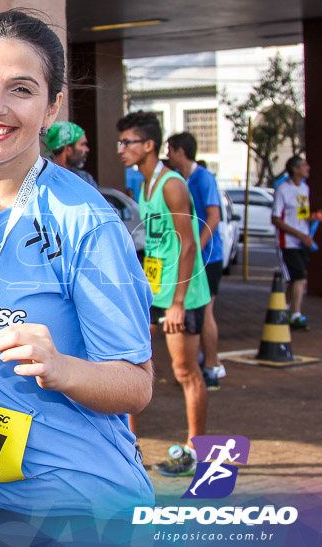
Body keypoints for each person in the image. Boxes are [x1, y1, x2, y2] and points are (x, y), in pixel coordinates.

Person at [0, 10, 154, 541]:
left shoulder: (85, 221)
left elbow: (136, 384)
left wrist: (60, 367)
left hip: (73, 502)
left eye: (20, 89)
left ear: (51, 107)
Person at [118, 111, 211, 477]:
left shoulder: (172, 184)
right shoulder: (143, 185)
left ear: (149, 145)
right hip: (156, 293)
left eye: (127, 142)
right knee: (131, 365)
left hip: (181, 296)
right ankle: (129, 448)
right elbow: (160, 245)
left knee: (186, 373)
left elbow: (189, 246)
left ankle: (196, 452)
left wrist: (176, 303)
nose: (121, 149)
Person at [165, 132, 226, 390]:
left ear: (180, 151)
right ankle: (197, 364)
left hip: (208, 257)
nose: (167, 155)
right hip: (193, 255)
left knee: (206, 312)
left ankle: (212, 367)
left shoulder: (204, 178)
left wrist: (196, 249)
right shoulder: (180, 179)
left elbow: (214, 216)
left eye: (170, 150)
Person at [272, 156, 321, 330]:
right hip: (289, 243)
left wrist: (312, 218)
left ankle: (282, 311)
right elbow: (276, 219)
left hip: (303, 243)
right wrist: (299, 234)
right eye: (304, 165)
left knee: (295, 280)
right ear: (295, 169)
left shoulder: (304, 189)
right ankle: (296, 315)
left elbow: (301, 215)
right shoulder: (282, 190)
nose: (308, 167)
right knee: (299, 278)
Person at [44, 121, 98, 189]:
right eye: (83, 144)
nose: (87, 149)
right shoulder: (43, 176)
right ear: (68, 149)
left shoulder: (85, 179)